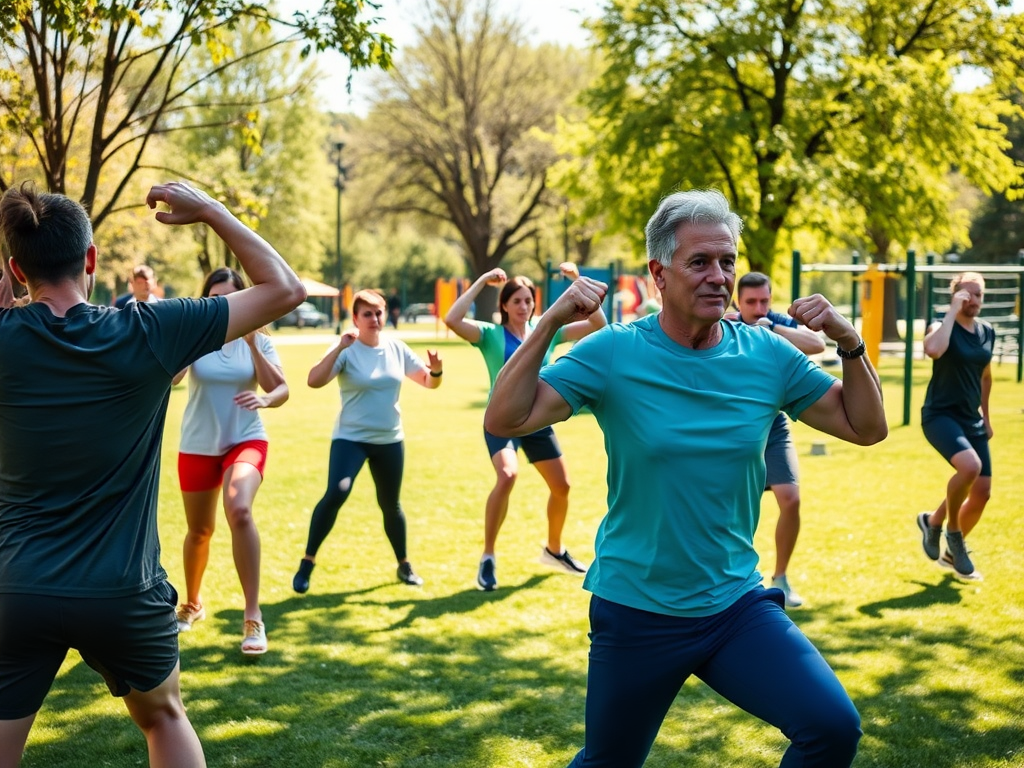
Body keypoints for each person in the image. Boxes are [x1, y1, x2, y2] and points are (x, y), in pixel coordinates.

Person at [484, 189, 888, 768]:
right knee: (608, 762)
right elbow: (505, 417)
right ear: (659, 274)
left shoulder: (767, 354)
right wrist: (549, 320)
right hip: (637, 609)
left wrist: (850, 344)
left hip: (734, 606)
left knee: (831, 727)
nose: (718, 277)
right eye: (699, 262)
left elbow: (864, 427)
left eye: (726, 261)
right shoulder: (613, 353)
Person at [0, 181, 305, 767]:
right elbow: (283, 289)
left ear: (16, 268)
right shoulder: (149, 329)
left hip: (19, 588)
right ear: (90, 260)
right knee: (164, 718)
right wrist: (213, 211)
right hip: (123, 590)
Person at [444, 264, 606, 592]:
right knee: (507, 475)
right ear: (504, 305)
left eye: (528, 300)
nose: (524, 306)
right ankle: (488, 556)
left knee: (562, 487)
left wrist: (578, 282)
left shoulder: (546, 330)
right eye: (517, 300)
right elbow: (452, 320)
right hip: (502, 421)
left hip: (537, 421)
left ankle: (554, 550)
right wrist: (482, 281)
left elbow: (600, 325)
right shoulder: (490, 335)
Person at [292, 289, 442, 593]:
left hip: (389, 438)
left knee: (390, 505)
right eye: (367, 314)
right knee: (337, 491)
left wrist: (437, 369)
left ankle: (404, 565)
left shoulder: (396, 348)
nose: (375, 319)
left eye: (379, 313)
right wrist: (337, 348)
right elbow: (314, 380)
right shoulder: (346, 349)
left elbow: (429, 382)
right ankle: (307, 563)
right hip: (351, 437)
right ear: (355, 319)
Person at [172, 267, 289, 655]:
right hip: (198, 443)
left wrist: (253, 344)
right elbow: (171, 379)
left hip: (246, 438)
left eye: (232, 298)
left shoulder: (257, 339)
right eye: (216, 297)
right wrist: (188, 345)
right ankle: (192, 603)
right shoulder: (195, 335)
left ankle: (252, 616)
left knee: (239, 509)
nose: (224, 304)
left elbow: (280, 390)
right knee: (199, 531)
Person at [729, 271, 826, 608]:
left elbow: (818, 344)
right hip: (735, 430)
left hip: (774, 427)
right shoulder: (725, 323)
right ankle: (737, 578)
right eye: (750, 302)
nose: (758, 308)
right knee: (736, 508)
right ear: (737, 302)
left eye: (764, 301)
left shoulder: (774, 323)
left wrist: (772, 329)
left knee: (791, 499)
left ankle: (781, 578)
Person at [915, 272, 993, 581]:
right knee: (969, 467)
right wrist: (951, 311)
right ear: (955, 295)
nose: (973, 300)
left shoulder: (987, 332)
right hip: (940, 415)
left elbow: (985, 376)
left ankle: (935, 525)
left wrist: (986, 416)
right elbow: (933, 349)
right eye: (966, 294)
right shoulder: (940, 325)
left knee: (982, 492)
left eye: (978, 295)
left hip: (971, 418)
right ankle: (954, 534)